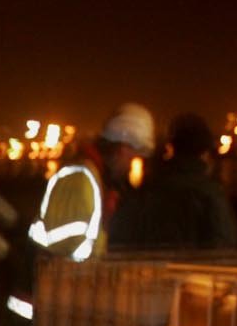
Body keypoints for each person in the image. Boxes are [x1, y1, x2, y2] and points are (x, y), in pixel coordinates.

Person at [32, 103, 154, 265]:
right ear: (122, 150)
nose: (130, 166)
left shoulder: (94, 178)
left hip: (73, 283)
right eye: (132, 158)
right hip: (64, 284)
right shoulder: (80, 178)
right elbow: (59, 250)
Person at [110, 111, 237, 253]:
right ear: (205, 154)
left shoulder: (147, 191)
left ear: (172, 148)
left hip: (150, 271)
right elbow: (224, 245)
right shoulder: (211, 195)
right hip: (195, 273)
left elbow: (122, 237)